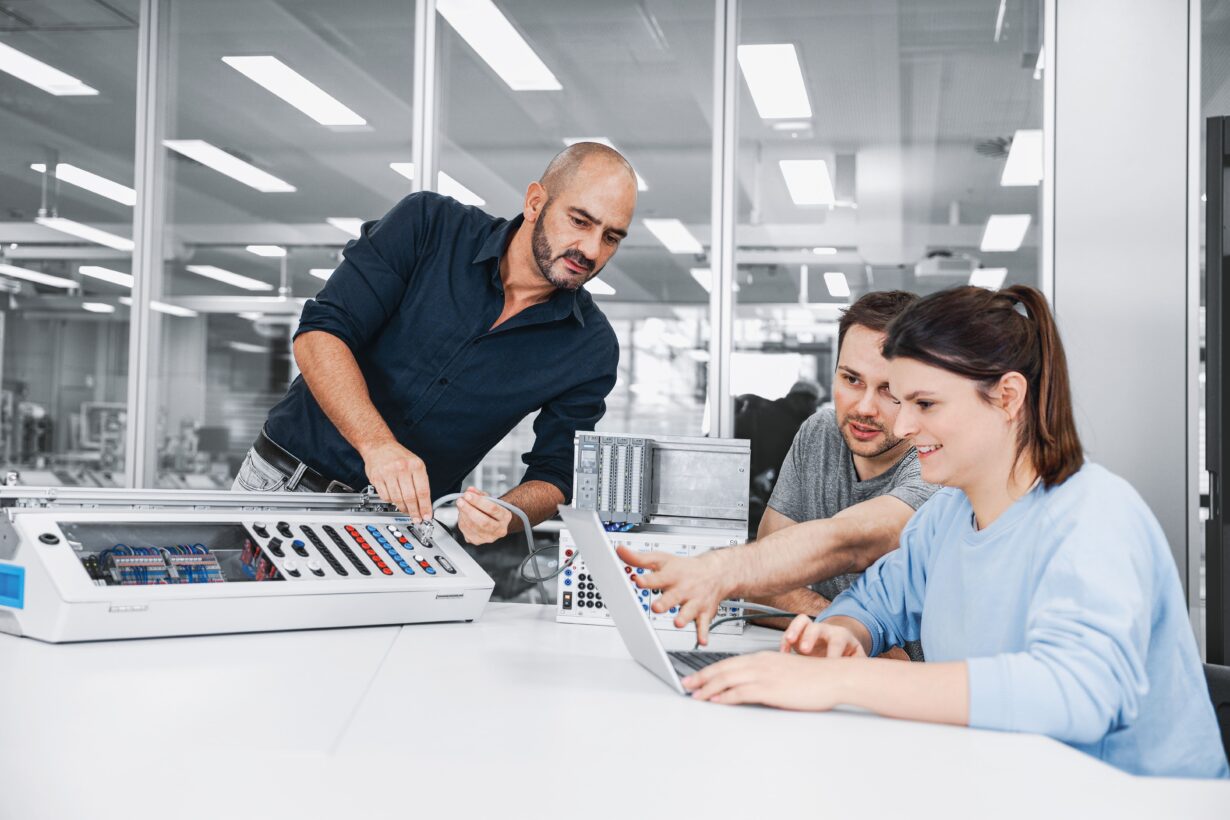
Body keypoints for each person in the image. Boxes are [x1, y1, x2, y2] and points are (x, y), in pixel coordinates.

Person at [673, 285, 1228, 779]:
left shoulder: (1096, 516)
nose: (904, 425)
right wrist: (841, 635)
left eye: (924, 403)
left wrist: (844, 683)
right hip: (1005, 780)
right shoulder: (947, 515)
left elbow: (1075, 693)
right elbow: (878, 602)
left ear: (1007, 397)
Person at [234, 143, 638, 546]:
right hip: (283, 485)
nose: (591, 250)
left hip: (399, 532)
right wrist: (377, 445)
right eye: (581, 221)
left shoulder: (590, 348)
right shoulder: (428, 226)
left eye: (611, 237)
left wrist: (508, 514)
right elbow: (320, 334)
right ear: (535, 202)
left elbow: (555, 473)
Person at [622, 291, 938, 658]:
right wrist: (838, 631)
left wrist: (723, 570)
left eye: (889, 390)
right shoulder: (820, 432)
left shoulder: (937, 459)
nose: (864, 407)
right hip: (834, 663)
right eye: (851, 379)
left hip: (907, 688)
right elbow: (764, 586)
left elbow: (849, 543)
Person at [734, 379, 823, 535]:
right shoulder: (786, 425)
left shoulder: (772, 413)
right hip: (745, 493)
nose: (814, 409)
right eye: (813, 403)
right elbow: (783, 474)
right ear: (801, 400)